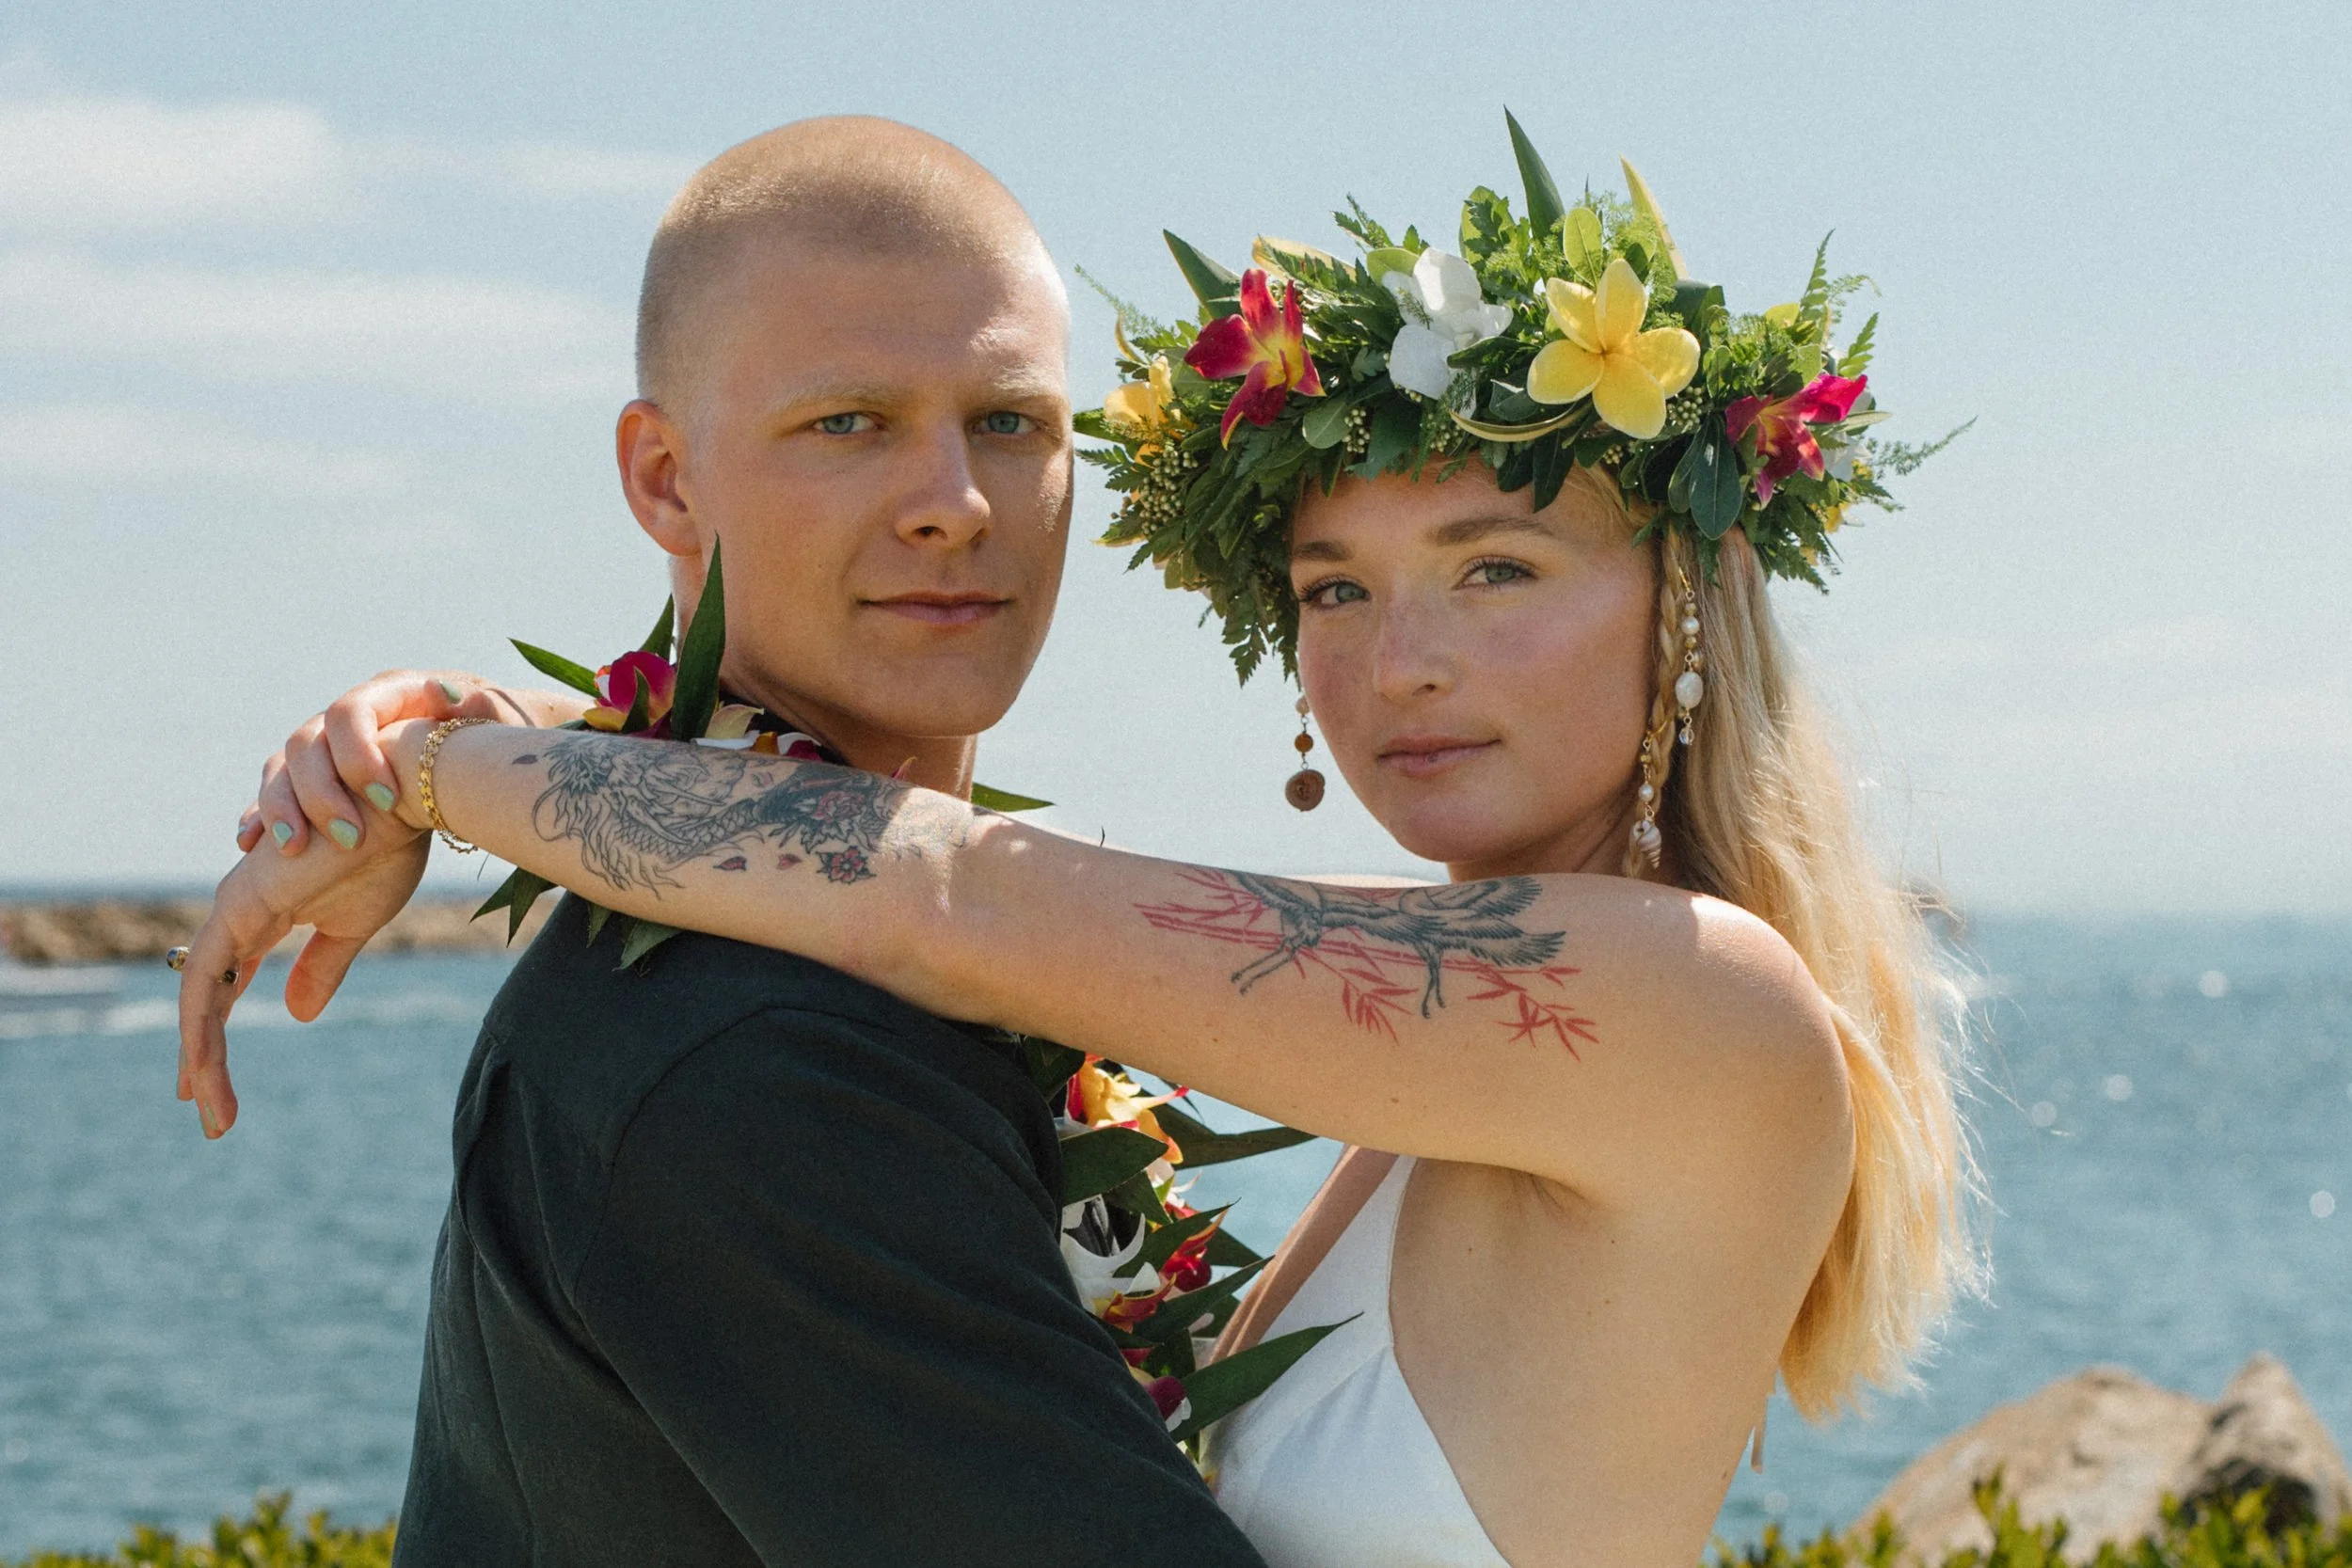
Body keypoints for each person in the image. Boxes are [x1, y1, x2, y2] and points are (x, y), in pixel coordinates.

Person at [183, 130, 1981, 1567]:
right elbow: (961, 895)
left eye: (1496, 566)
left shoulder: (1679, 1000)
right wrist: (482, 742)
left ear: (1685, 597)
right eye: (1335, 587)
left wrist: (431, 766)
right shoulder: (1441, 1038)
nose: (1398, 660)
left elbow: (955, 896)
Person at [180, 117, 1270, 1567]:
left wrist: (464, 751)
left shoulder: (842, 962)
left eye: (1009, 420)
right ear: (665, 481)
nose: (956, 503)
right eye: (851, 422)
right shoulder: (752, 1056)